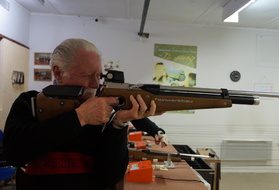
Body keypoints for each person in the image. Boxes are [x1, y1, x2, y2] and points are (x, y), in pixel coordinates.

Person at [3, 38, 166, 190]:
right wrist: (79, 118)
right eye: (87, 75)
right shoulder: (29, 103)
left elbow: (108, 178)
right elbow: (13, 155)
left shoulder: (104, 112)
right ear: (58, 73)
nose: (95, 84)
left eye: (98, 75)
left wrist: (119, 124)